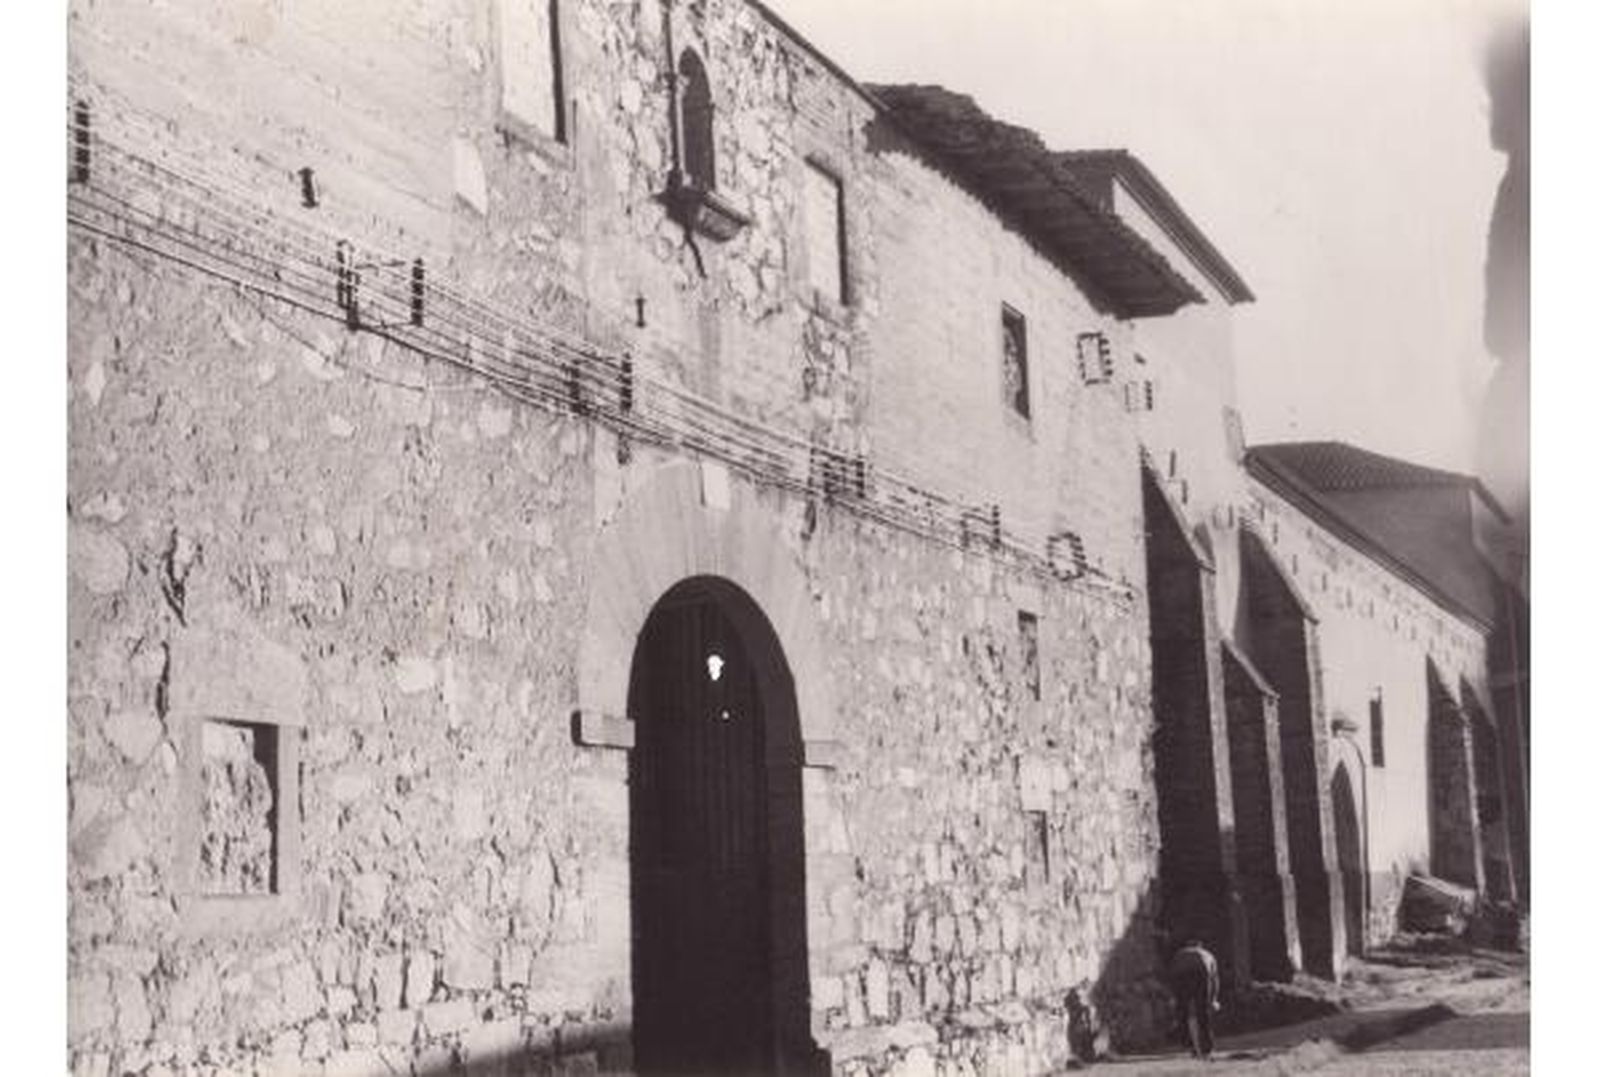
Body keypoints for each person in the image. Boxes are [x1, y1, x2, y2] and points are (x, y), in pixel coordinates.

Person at [1169, 937, 1220, 1059]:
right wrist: (1213, 999)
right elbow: (1215, 979)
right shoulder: (1207, 954)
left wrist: (1175, 997)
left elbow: (1172, 977)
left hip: (1181, 973)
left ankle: (1189, 1046)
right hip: (1201, 970)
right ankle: (1207, 1048)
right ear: (1200, 946)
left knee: (1183, 1013)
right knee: (1203, 1013)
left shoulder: (1181, 953)